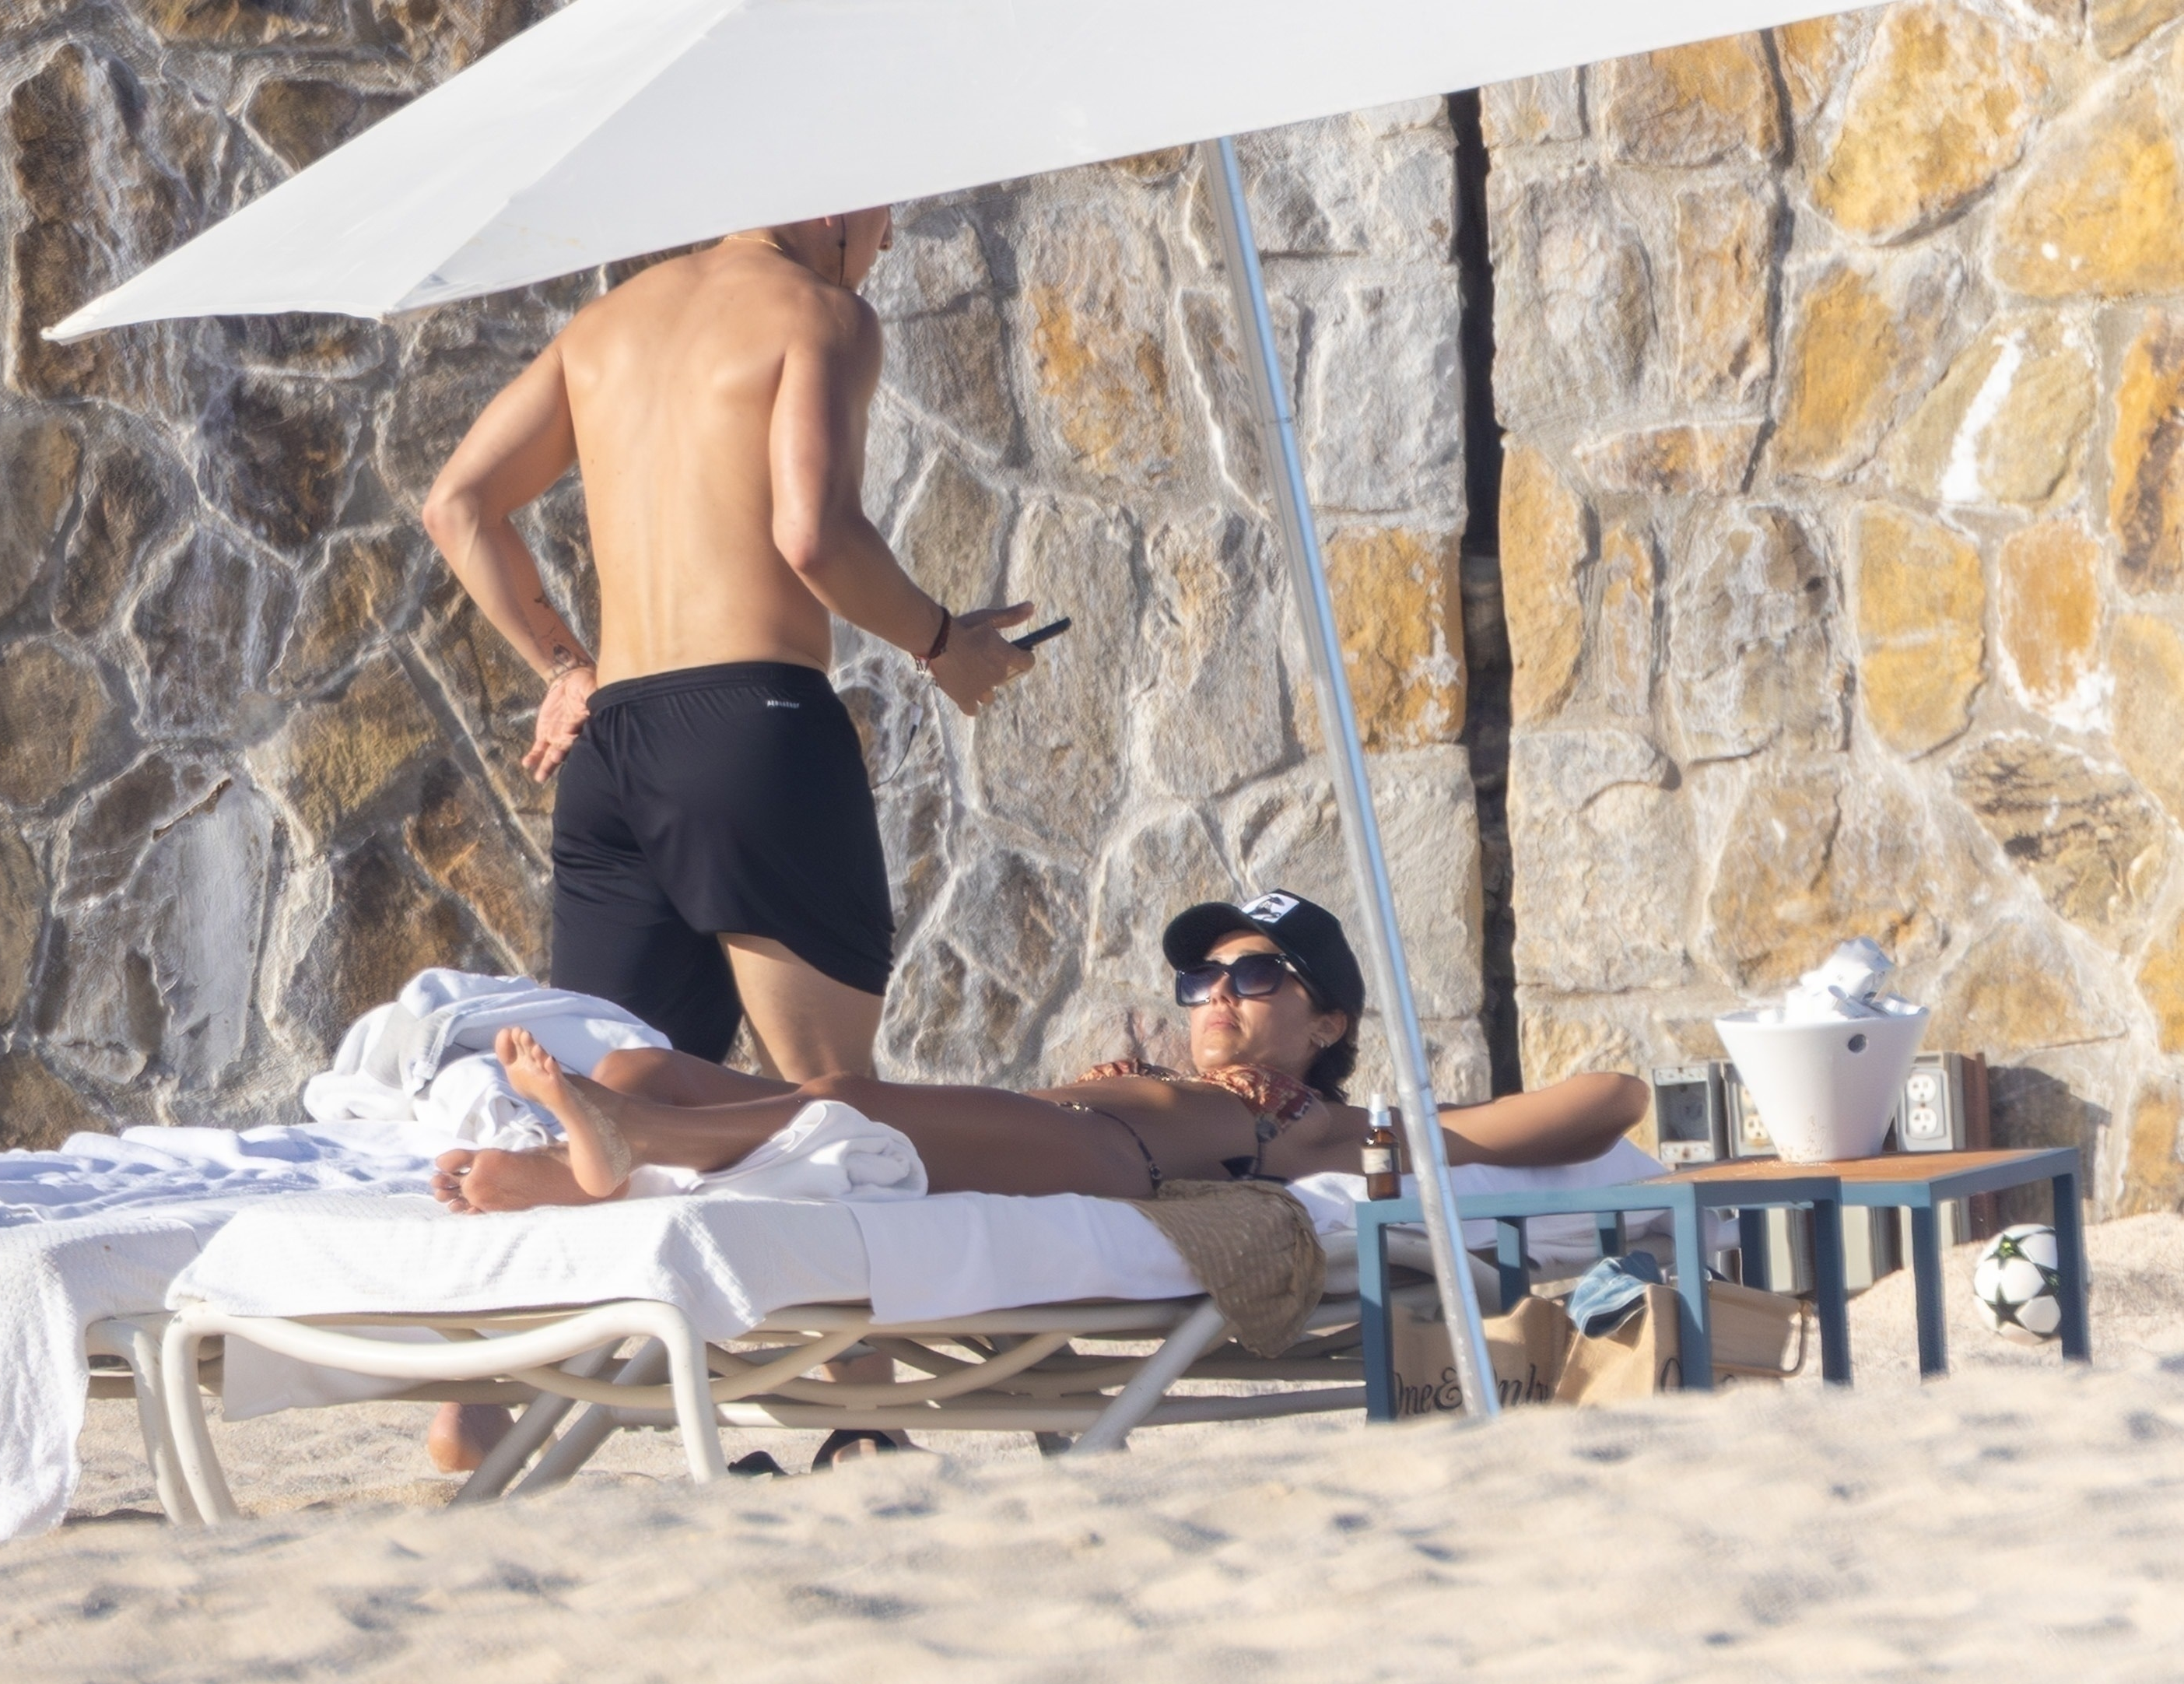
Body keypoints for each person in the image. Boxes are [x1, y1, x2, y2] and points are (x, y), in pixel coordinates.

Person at [422, 205, 1036, 1082]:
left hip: (613, 751)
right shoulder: (819, 313)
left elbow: (457, 506)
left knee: (620, 1109)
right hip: (750, 733)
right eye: (882, 214)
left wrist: (566, 666)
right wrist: (942, 643)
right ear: (829, 204)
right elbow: (815, 535)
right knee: (833, 1103)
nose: (888, 241)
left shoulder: (601, 325)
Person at [432, 891, 1649, 1214]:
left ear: (1328, 1022)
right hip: (1036, 1123)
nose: (1220, 992)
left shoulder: (1332, 1123)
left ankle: (626, 1142)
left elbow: (1616, 1096)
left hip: (1107, 1158)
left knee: (846, 1099)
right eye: (1203, 975)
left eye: (1258, 974)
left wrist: (1396, 1128)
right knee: (656, 1062)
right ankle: (615, 1131)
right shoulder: (1168, 1064)